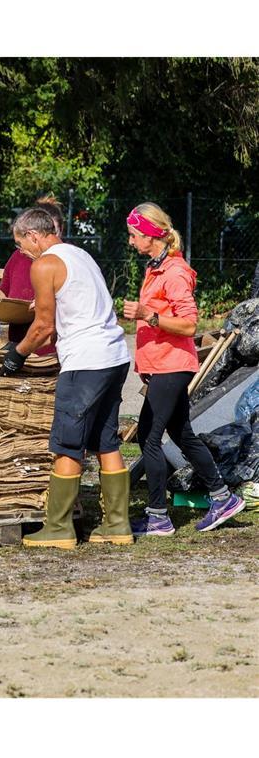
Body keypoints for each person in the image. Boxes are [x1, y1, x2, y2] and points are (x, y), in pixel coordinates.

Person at [0, 205, 132, 549]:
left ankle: (58, 528)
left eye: (20, 245)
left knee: (68, 441)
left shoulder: (44, 264)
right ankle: (117, 524)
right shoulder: (80, 255)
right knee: (106, 440)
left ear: (33, 235)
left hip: (85, 363)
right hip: (115, 356)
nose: (21, 253)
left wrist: (17, 353)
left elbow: (44, 326)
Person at [121, 202, 245, 535]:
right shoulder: (155, 267)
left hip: (172, 365)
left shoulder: (174, 272)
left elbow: (189, 325)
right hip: (161, 364)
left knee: (149, 437)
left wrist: (148, 315)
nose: (131, 242)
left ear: (150, 235)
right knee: (182, 435)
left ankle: (158, 517)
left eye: (134, 235)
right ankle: (223, 498)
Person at [0, 195, 61, 356]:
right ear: (33, 235)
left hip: (51, 350)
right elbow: (3, 296)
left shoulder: (63, 259)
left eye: (53, 232)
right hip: (20, 341)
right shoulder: (18, 256)